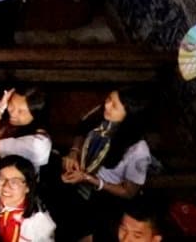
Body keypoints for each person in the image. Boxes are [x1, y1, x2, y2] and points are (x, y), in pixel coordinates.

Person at [53, 88, 153, 241]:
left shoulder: (138, 150)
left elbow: (128, 192)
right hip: (80, 182)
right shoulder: (103, 116)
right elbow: (82, 130)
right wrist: (74, 152)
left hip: (105, 198)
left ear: (129, 114)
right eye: (108, 99)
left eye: (114, 105)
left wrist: (89, 179)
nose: (106, 105)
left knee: (85, 230)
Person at [0, 156, 54, 242]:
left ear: (28, 187)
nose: (6, 186)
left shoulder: (41, 223)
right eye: (1, 179)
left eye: (14, 182)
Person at [0, 87, 52, 173]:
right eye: (11, 105)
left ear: (36, 114)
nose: (13, 113)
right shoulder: (23, 123)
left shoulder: (36, 144)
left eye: (21, 111)